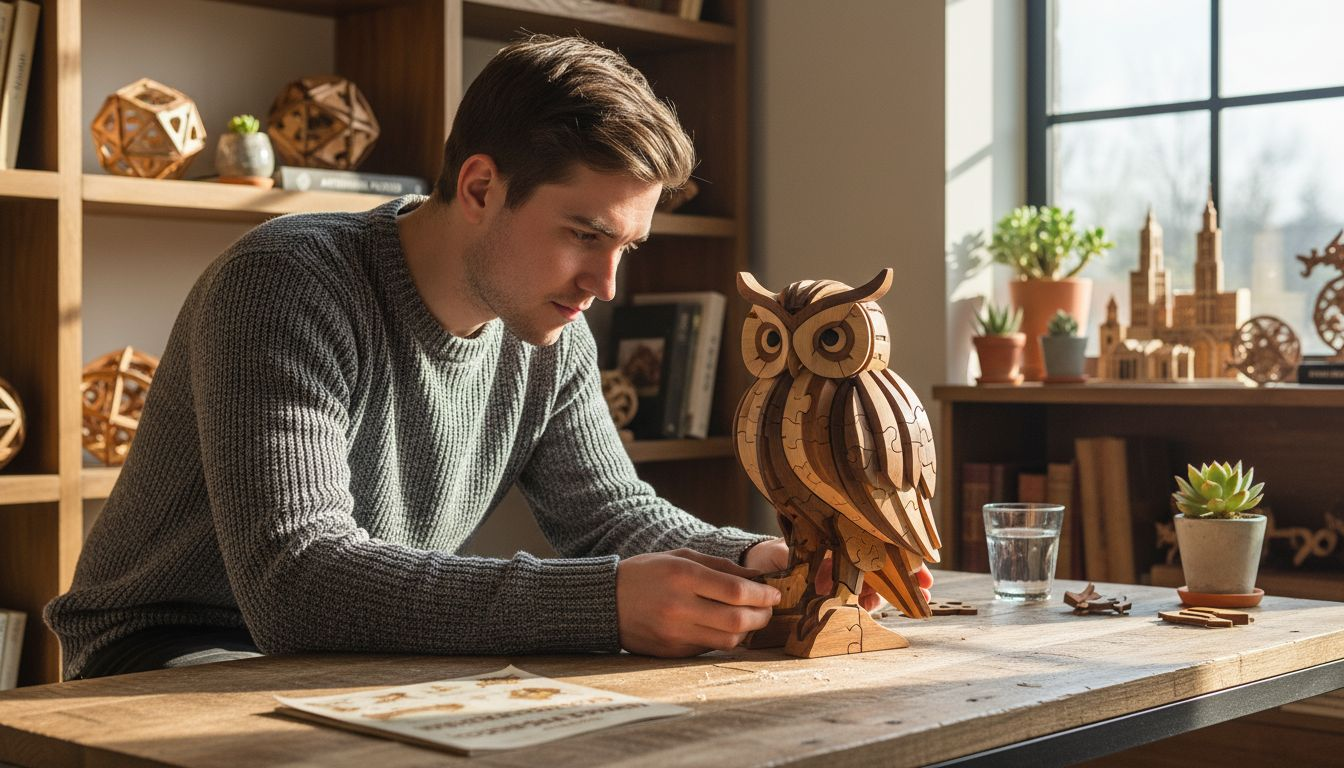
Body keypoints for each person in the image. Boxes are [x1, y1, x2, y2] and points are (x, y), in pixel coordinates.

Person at [46, 35, 931, 680]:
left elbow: (609, 515)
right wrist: (605, 603)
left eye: (626, 247)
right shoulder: (285, 283)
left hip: (340, 659)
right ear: (479, 187)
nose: (606, 284)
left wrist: (759, 563)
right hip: (167, 655)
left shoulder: (550, 329)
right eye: (584, 234)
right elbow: (297, 582)